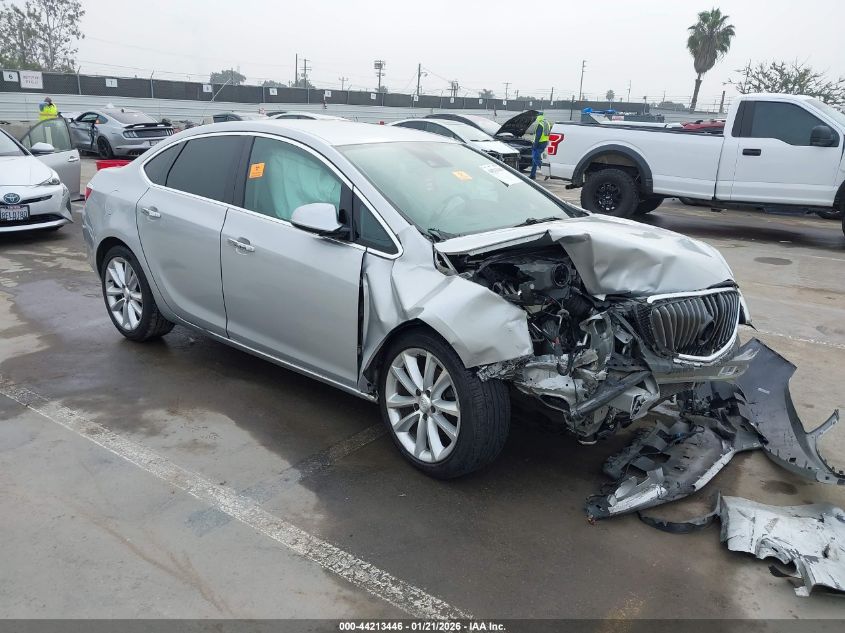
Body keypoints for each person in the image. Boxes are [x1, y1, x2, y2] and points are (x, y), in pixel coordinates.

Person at [529, 112, 551, 180]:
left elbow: (538, 136)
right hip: (544, 142)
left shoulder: (540, 124)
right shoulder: (547, 123)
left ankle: (546, 172)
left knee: (536, 158)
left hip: (539, 143)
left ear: (538, 116)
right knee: (534, 160)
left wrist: (534, 145)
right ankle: (532, 175)